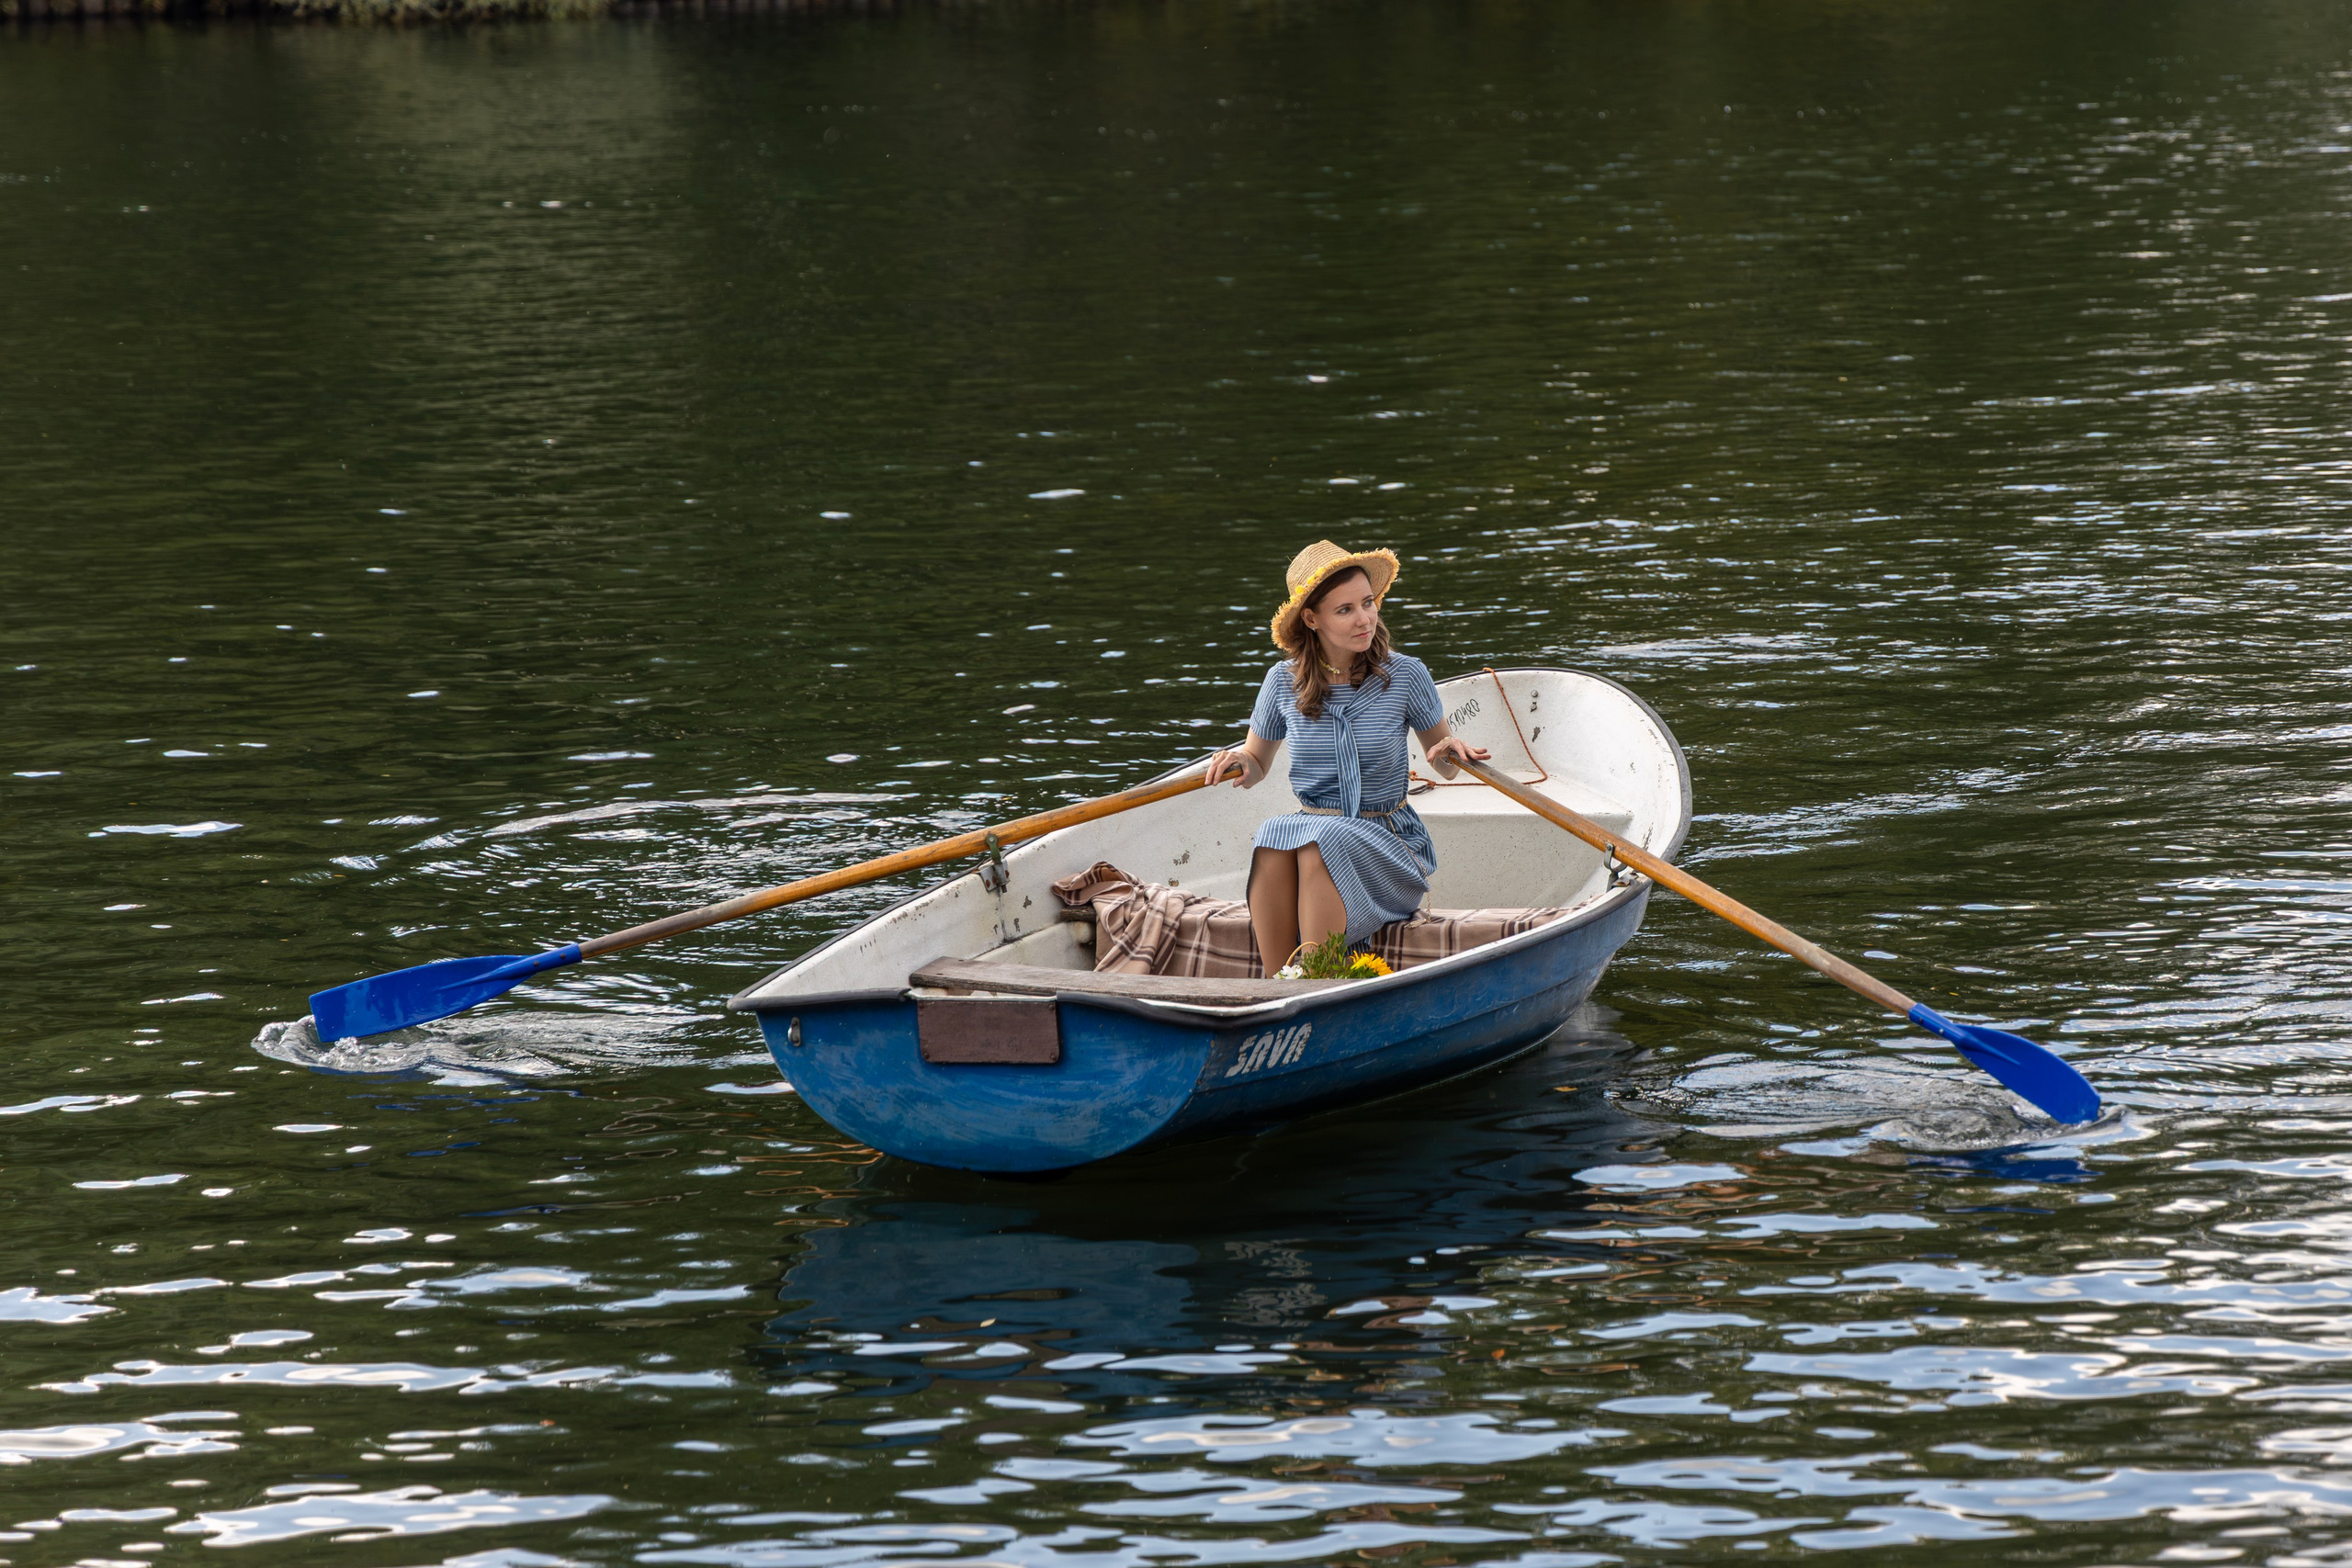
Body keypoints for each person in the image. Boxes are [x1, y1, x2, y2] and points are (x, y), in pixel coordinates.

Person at [1205, 540, 1490, 975]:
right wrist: (1240, 761)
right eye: (1346, 610)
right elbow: (1256, 762)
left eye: (1368, 603)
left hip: (1390, 841)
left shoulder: (1406, 675)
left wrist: (1451, 752)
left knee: (1316, 842)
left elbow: (1443, 761)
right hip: (1316, 828)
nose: (1365, 619)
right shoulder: (1281, 682)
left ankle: (1317, 982)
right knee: (1272, 836)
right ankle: (1276, 982)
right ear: (1311, 619)